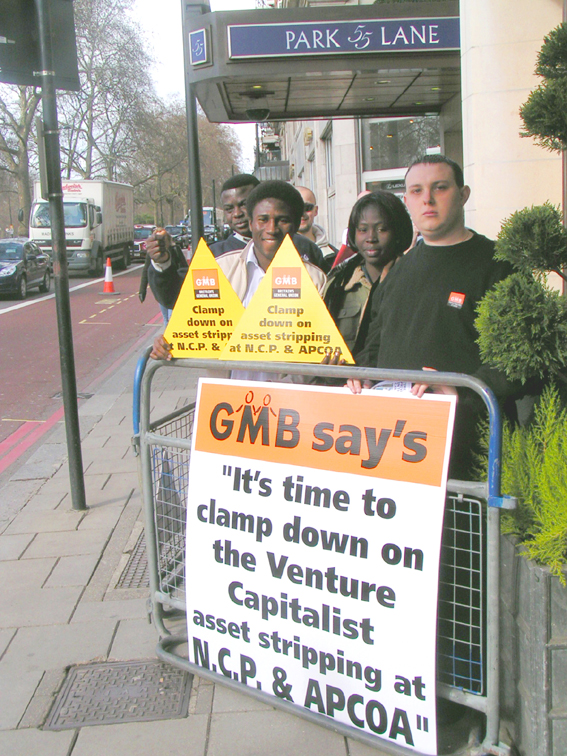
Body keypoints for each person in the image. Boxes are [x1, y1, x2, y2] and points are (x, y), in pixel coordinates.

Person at [347, 154, 517, 479]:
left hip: (468, 449)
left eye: (440, 187)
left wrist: (463, 391)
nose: (427, 199)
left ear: (463, 194)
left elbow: (517, 359)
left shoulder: (497, 265)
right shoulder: (396, 271)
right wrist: (361, 374)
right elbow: (374, 342)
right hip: (395, 447)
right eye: (416, 191)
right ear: (407, 200)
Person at [150, 180, 326, 363]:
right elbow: (185, 314)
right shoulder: (218, 266)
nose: (271, 229)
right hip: (228, 388)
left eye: (282, 220)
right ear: (252, 223)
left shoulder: (316, 278)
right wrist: (167, 345)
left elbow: (325, 342)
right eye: (263, 219)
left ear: (296, 225)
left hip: (288, 388)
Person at [146, 175, 326, 313]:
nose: (238, 213)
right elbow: (179, 300)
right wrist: (162, 263)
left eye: (243, 205)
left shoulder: (307, 250)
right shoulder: (213, 258)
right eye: (229, 209)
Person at [324, 191, 413, 354]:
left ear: (397, 231)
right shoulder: (338, 284)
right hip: (347, 377)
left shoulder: (414, 278)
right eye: (363, 230)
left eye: (382, 229)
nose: (371, 238)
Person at [296, 186, 337, 269]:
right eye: (296, 208)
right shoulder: (275, 251)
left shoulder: (334, 256)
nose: (302, 214)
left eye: (307, 208)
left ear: (316, 211)